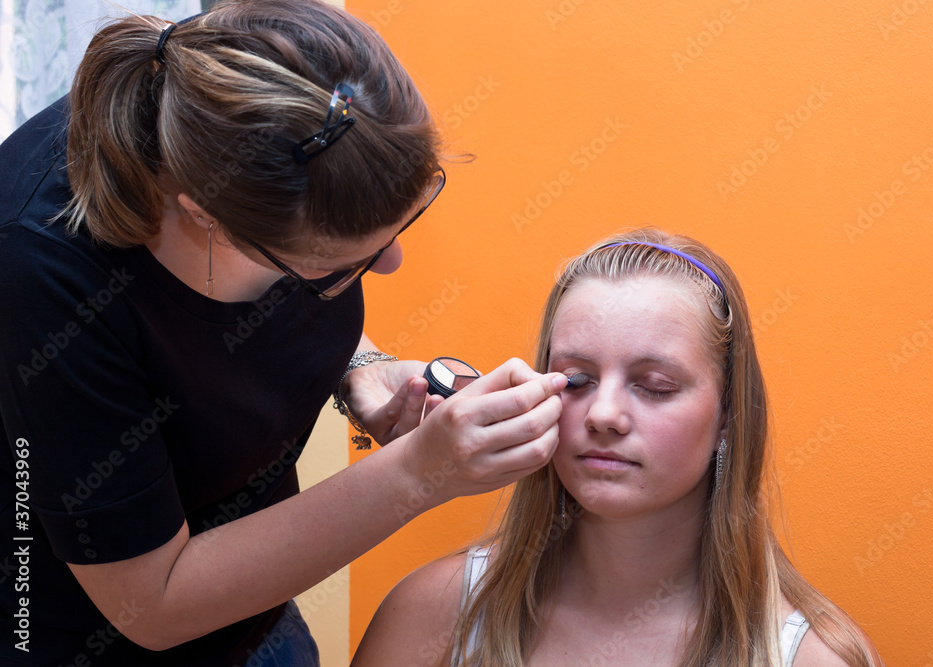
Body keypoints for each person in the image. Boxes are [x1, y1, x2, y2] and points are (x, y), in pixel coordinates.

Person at [0, 1, 567, 664]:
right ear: (205, 218)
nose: (390, 266)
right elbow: (152, 602)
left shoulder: (291, 136)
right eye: (340, 264)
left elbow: (284, 298)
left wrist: (363, 367)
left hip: (251, 610)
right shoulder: (41, 273)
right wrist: (422, 472)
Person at [353, 228, 885, 666]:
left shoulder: (811, 657)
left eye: (655, 385)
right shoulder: (434, 615)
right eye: (576, 380)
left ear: (728, 415)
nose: (604, 414)